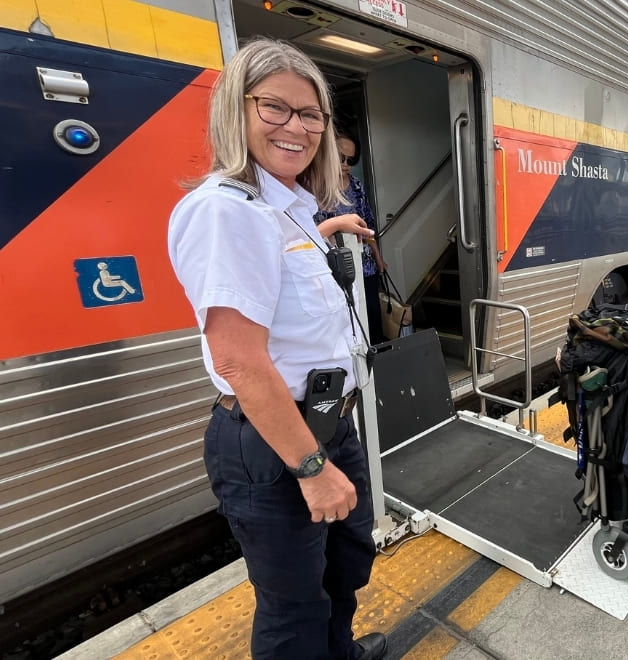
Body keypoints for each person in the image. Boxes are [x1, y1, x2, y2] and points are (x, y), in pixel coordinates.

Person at [167, 38, 387, 659]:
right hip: (278, 443)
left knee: (342, 573)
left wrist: (323, 232)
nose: (298, 127)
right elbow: (239, 358)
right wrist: (312, 472)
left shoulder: (281, 208)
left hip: (326, 424)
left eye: (311, 114)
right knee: (294, 608)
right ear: (235, 113)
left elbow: (275, 275)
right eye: (275, 108)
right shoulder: (224, 212)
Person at [316, 133, 387, 344]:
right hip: (334, 267)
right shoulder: (317, 186)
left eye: (352, 160)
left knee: (373, 314)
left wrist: (378, 257)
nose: (346, 164)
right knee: (347, 319)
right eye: (341, 157)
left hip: (365, 264)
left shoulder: (356, 185)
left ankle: (378, 365)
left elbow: (368, 225)